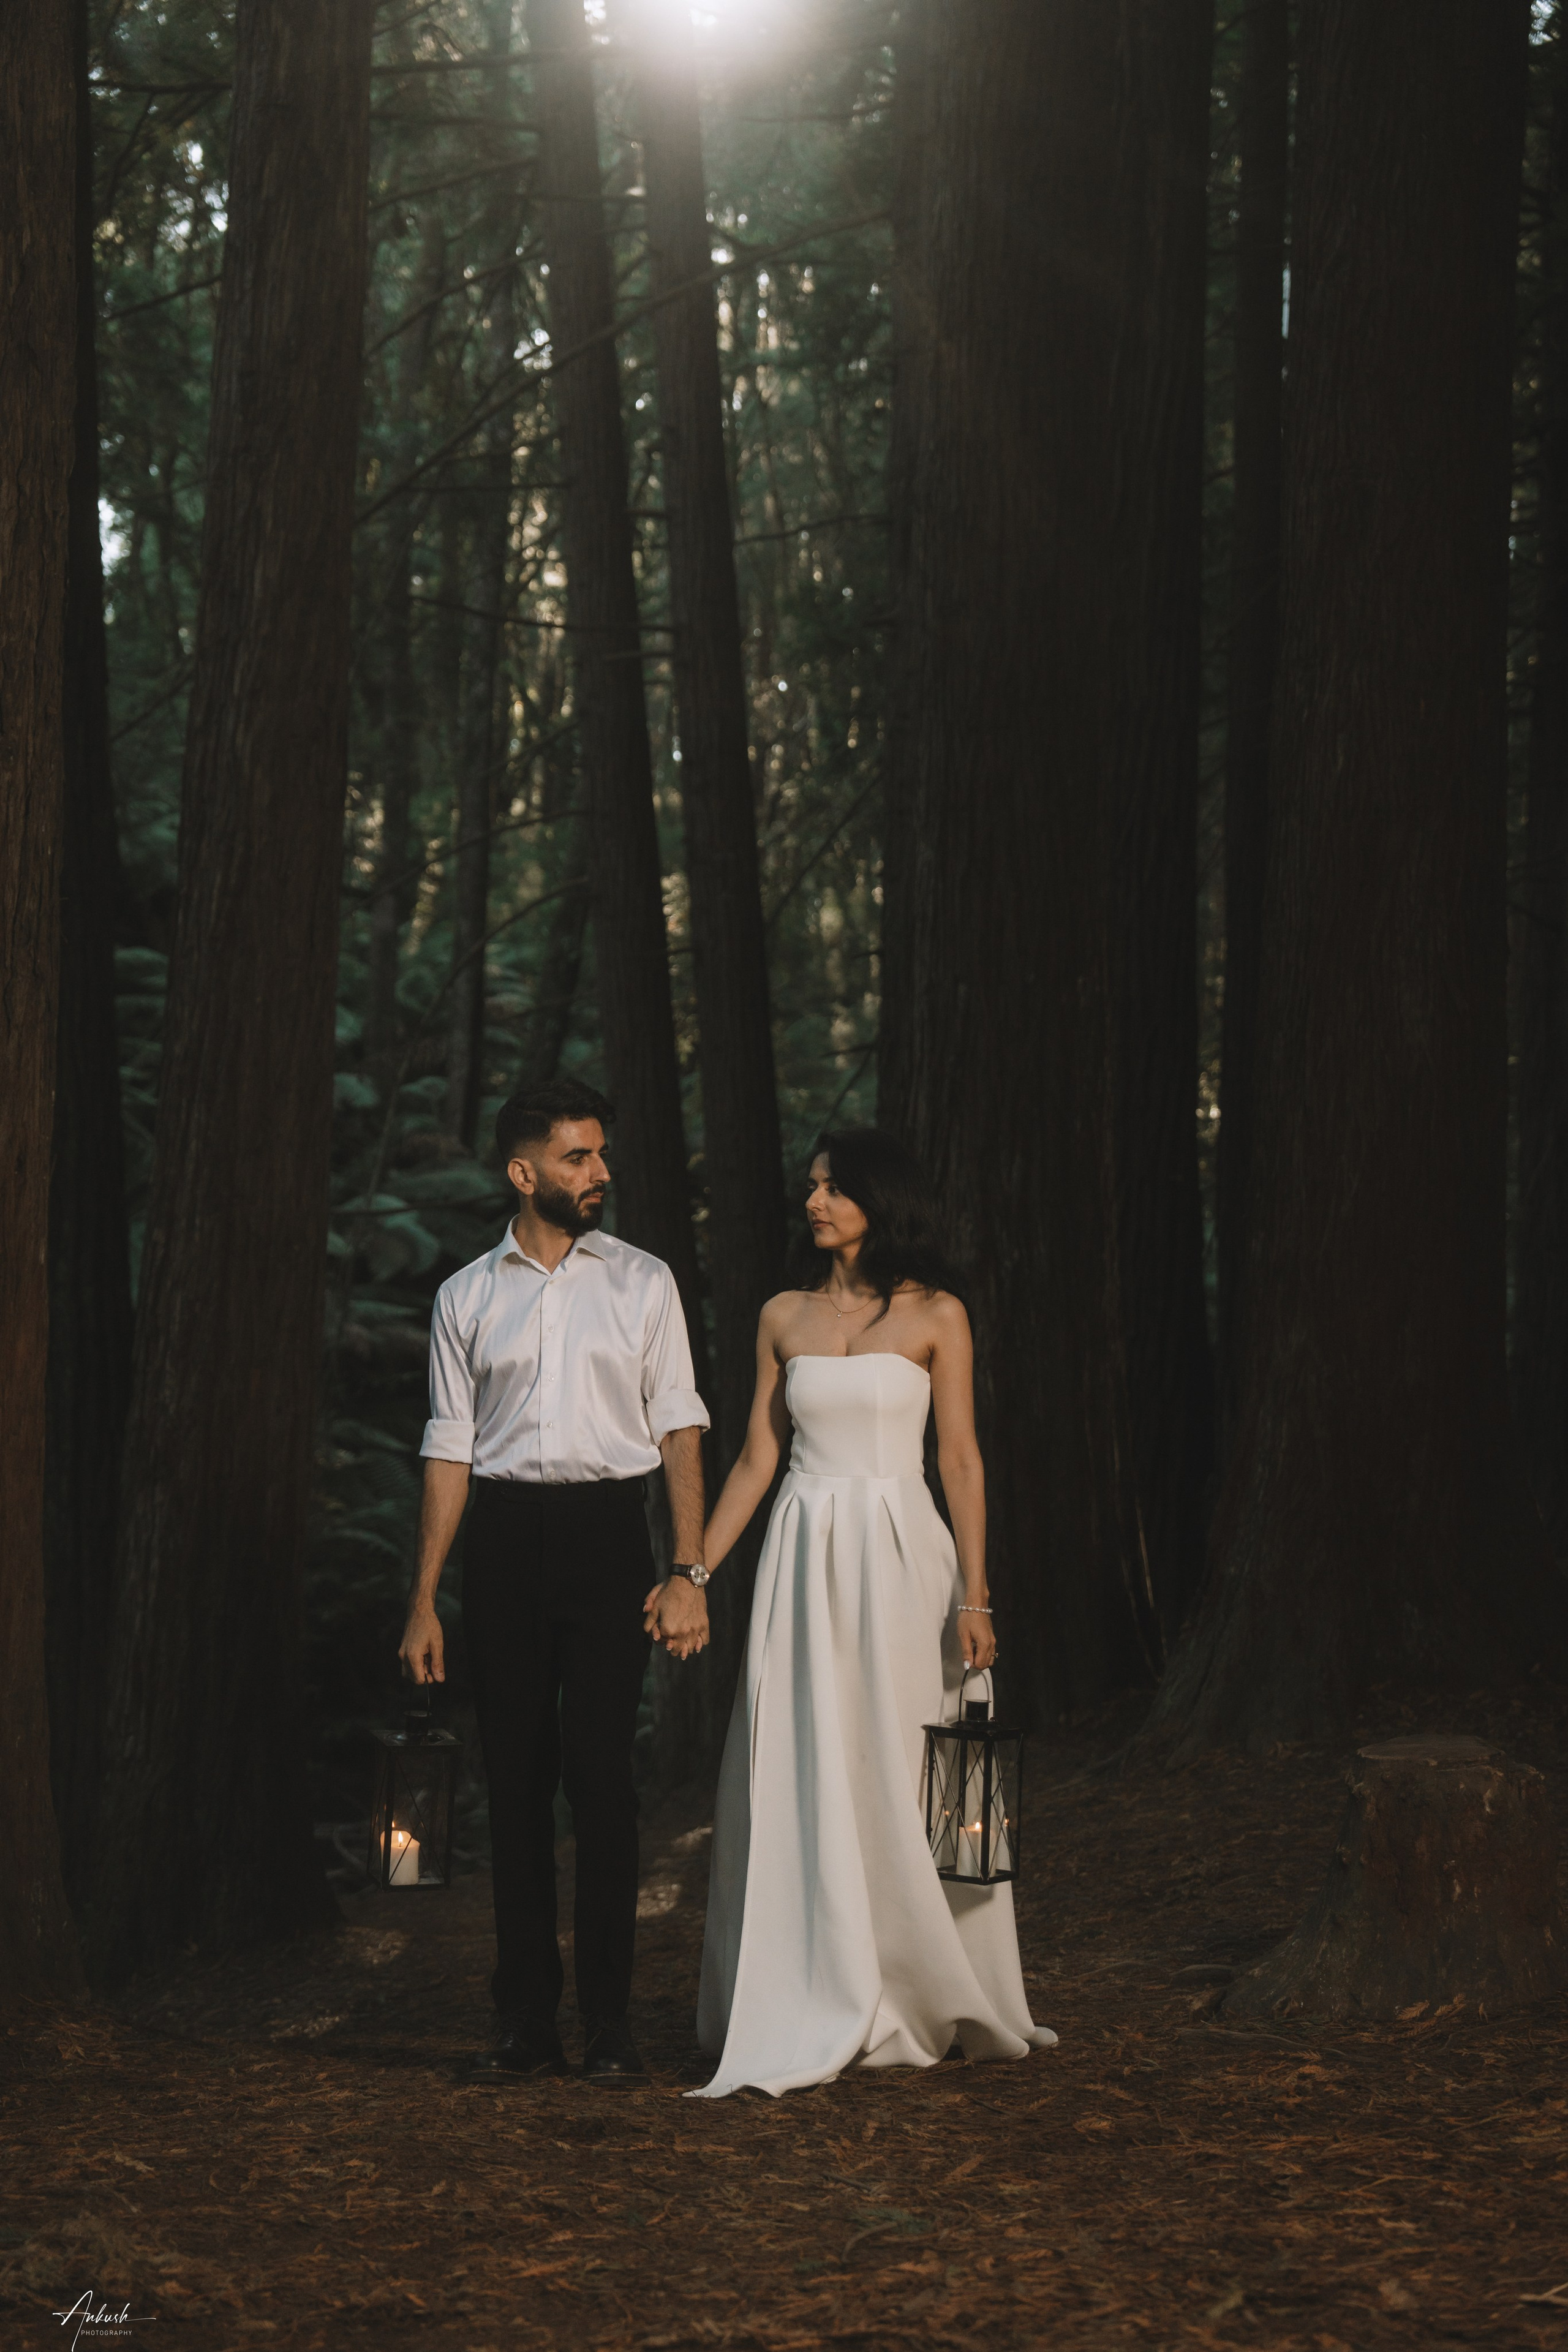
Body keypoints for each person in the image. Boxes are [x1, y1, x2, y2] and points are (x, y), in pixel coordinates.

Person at [675, 1126, 1055, 2098]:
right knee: (809, 1753)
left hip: (902, 1554)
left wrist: (976, 1594)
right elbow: (758, 1460)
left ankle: (926, 1980)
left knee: (909, 1751)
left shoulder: (938, 1315)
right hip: (803, 1553)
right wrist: (695, 1571)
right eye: (811, 1186)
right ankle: (813, 1979)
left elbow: (960, 1459)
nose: (815, 1201)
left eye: (834, 1188)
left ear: (881, 1201)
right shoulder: (782, 1315)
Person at [398, 1078, 712, 2085]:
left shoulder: (643, 1282)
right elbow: (450, 1451)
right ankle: (526, 2020)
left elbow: (680, 1428)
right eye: (579, 1158)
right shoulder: (464, 1296)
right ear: (523, 1172)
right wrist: (424, 1599)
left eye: (602, 1156)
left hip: (609, 1542)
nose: (601, 1174)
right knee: (518, 1782)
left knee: (605, 1784)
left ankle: (611, 2027)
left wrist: (687, 1571)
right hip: (501, 1544)